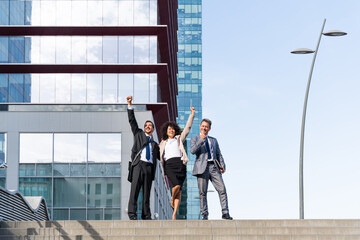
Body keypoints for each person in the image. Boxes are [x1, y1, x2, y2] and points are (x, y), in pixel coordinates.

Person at [190, 118, 233, 220]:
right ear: (200, 126)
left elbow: (218, 154)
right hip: (201, 168)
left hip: (214, 167)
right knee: (202, 192)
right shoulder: (195, 139)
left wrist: (222, 165)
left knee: (222, 189)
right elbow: (192, 151)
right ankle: (204, 214)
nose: (204, 128)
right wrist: (201, 139)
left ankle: (225, 212)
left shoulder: (213, 140)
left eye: (206, 126)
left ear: (209, 128)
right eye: (203, 126)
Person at [159, 107, 195, 220]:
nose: (171, 130)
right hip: (169, 165)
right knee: (177, 186)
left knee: (179, 190)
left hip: (180, 164)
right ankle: (171, 198)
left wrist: (192, 114)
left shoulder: (179, 139)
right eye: (169, 129)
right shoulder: (162, 142)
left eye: (173, 129)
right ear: (166, 131)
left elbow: (187, 129)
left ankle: (174, 214)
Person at [126, 96, 160, 220]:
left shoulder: (155, 144)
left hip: (149, 168)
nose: (147, 126)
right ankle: (132, 214)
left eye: (150, 125)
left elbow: (162, 157)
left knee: (147, 194)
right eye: (146, 125)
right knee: (134, 191)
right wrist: (130, 105)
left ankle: (146, 215)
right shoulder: (139, 134)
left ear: (153, 129)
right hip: (138, 165)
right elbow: (132, 121)